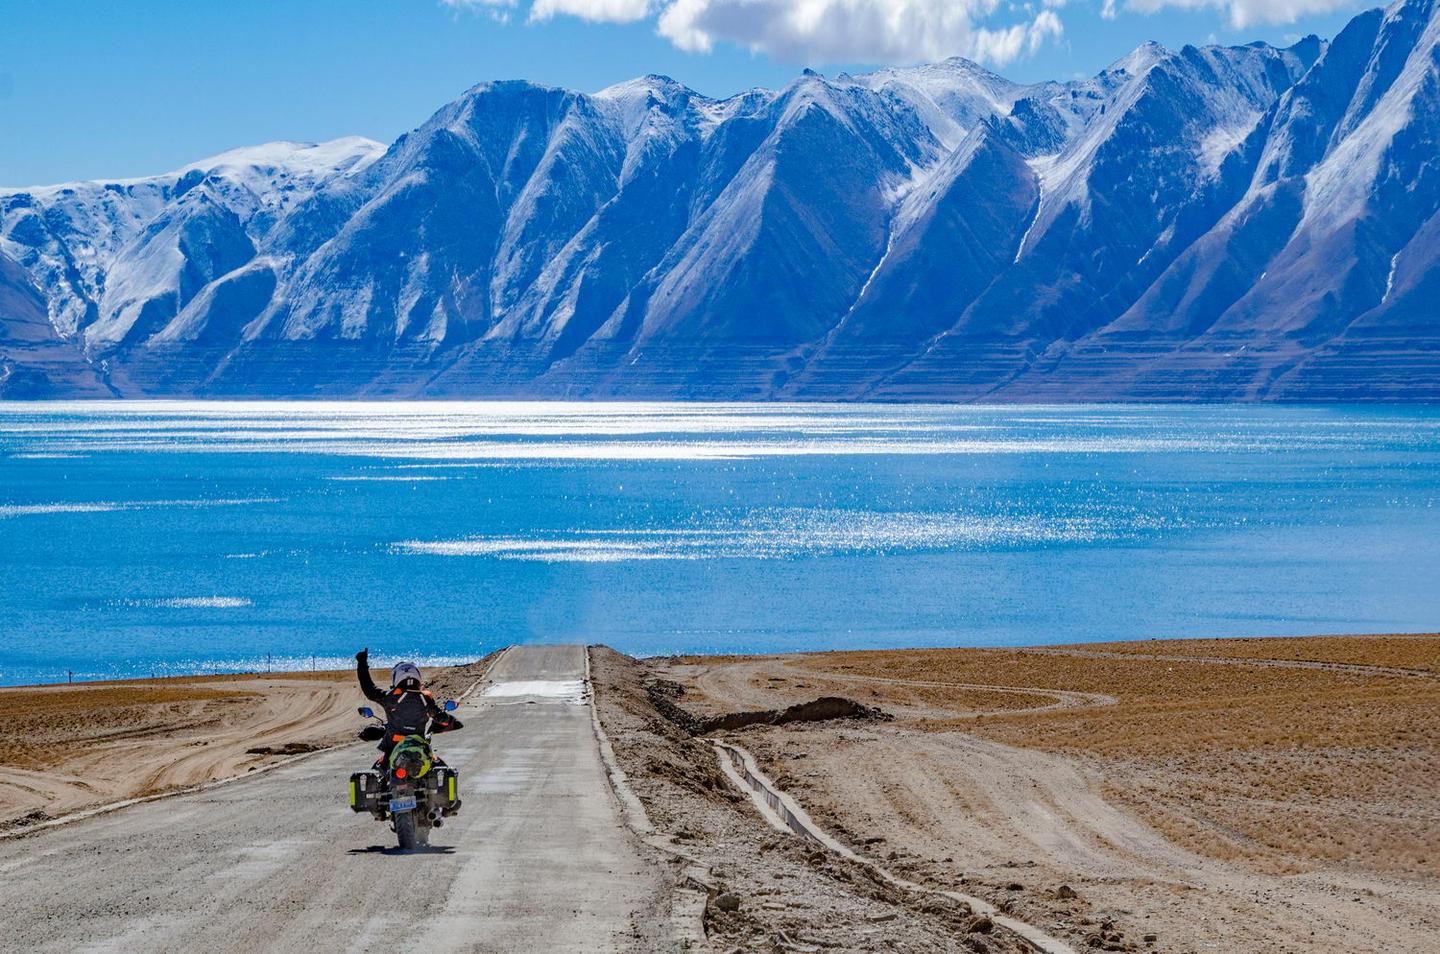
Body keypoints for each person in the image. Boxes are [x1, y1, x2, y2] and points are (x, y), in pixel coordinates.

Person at [354, 648, 461, 768]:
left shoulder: (390, 697)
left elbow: (369, 689)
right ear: (417, 677)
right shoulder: (425, 698)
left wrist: (362, 663)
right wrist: (446, 719)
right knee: (440, 768)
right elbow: (439, 716)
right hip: (419, 748)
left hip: (393, 747)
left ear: (397, 677)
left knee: (378, 770)